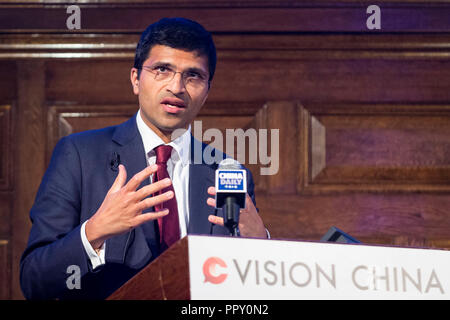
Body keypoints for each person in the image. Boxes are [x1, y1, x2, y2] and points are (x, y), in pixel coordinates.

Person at [20, 17, 267, 300]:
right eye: (163, 70)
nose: (177, 87)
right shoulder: (78, 155)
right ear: (136, 79)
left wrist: (262, 244)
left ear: (207, 91)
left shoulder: (227, 172)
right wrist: (94, 232)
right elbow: (33, 280)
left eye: (193, 76)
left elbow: (245, 290)